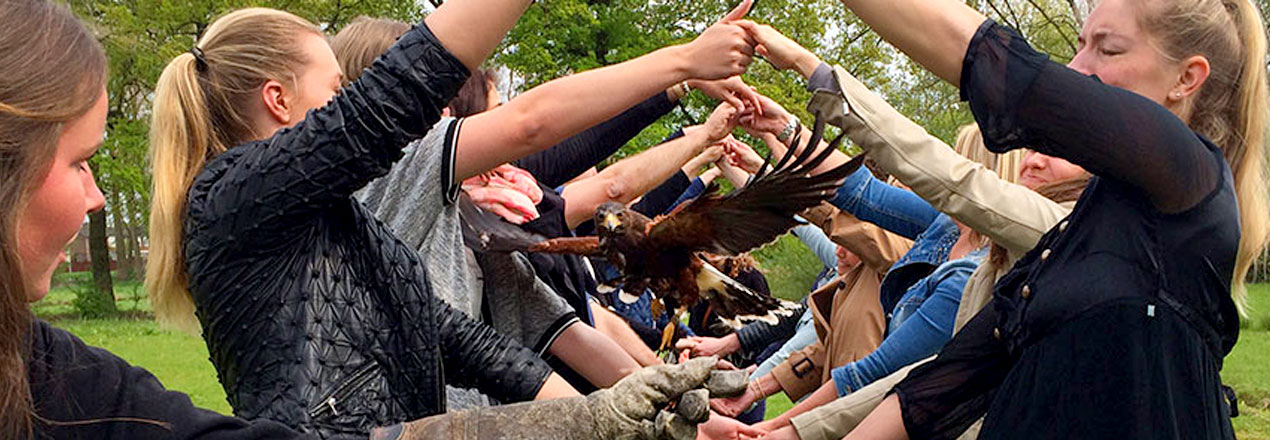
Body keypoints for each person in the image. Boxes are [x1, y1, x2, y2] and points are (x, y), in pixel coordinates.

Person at [0, 1, 724, 439]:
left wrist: (600, 418)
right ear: (281, 102)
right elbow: (395, 102)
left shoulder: (340, 219)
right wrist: (686, 65)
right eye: (337, 89)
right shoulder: (227, 198)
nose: (351, 106)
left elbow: (461, 338)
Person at [792, 0, 1266, 436]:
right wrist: (786, 432)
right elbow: (943, 384)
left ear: (1187, 79)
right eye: (1079, 46)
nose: (1077, 70)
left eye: (1108, 49)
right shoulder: (1072, 241)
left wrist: (801, 62)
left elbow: (1000, 74)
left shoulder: (1192, 175)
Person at [718, 23, 1090, 439]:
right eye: (1034, 147)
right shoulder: (947, 230)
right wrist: (782, 127)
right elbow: (858, 191)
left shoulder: (1025, 246)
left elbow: (883, 372)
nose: (1034, 160)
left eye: (959, 161)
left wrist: (806, 65)